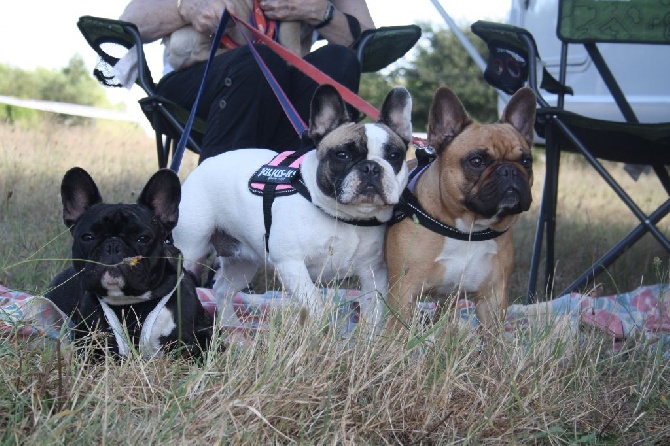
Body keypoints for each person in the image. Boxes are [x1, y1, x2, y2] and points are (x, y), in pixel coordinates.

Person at [119, 0, 375, 163]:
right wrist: (184, 7)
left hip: (286, 92)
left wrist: (320, 11)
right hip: (200, 78)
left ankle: (297, 190)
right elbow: (130, 22)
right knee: (261, 61)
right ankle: (218, 211)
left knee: (340, 60)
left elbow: (370, 42)